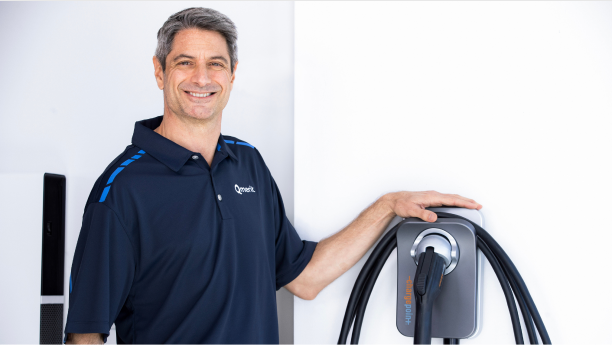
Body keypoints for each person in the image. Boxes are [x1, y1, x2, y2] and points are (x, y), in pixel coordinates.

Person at [64, 7, 481, 345]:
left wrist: (387, 207)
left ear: (232, 74)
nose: (202, 78)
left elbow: (306, 278)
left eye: (216, 64)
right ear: (159, 72)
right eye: (184, 63)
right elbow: (85, 334)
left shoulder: (248, 165)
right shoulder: (122, 190)